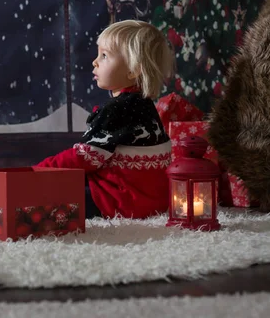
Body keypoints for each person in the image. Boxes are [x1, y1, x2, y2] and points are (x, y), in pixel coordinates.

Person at [35, 20, 174, 219]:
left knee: (54, 195)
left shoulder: (118, 109)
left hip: (118, 201)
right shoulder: (144, 105)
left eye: (104, 55)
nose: (95, 61)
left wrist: (41, 169)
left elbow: (85, 157)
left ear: (133, 70)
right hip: (151, 200)